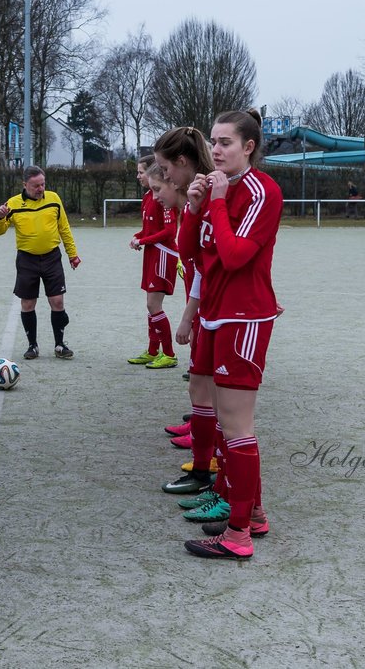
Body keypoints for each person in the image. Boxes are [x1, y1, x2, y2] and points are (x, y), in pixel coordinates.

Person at [178, 109, 283, 560]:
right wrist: (195, 207)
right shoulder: (220, 188)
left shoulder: (262, 190)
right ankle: (252, 513)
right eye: (214, 142)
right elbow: (191, 253)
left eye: (225, 143)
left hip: (245, 317)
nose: (216, 150)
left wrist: (217, 204)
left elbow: (237, 255)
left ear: (248, 148)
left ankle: (238, 534)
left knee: (238, 426)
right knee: (226, 422)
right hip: (218, 314)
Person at [152, 128, 219, 497]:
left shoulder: (213, 198)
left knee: (220, 399)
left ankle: (215, 474)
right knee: (200, 386)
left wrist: (188, 316)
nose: (163, 181)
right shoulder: (197, 204)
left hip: (220, 311)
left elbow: (210, 266)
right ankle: (205, 464)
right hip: (209, 308)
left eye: (164, 172)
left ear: (181, 164)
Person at [0, 165, 81, 360]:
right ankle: (32, 345)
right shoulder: (13, 204)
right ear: (25, 185)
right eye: (36, 186)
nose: (41, 189)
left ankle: (59, 344)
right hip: (26, 260)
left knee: (57, 301)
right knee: (28, 303)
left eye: (43, 184)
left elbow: (64, 228)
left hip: (52, 257)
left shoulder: (54, 199)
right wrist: (0, 217)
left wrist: (72, 254)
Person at [128, 155, 179, 369]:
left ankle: (169, 354)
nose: (138, 176)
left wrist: (143, 240)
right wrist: (138, 236)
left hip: (163, 254)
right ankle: (152, 351)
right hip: (152, 253)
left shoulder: (164, 197)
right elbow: (150, 228)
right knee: (151, 306)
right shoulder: (149, 196)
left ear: (153, 174)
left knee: (153, 304)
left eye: (141, 172)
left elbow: (169, 231)